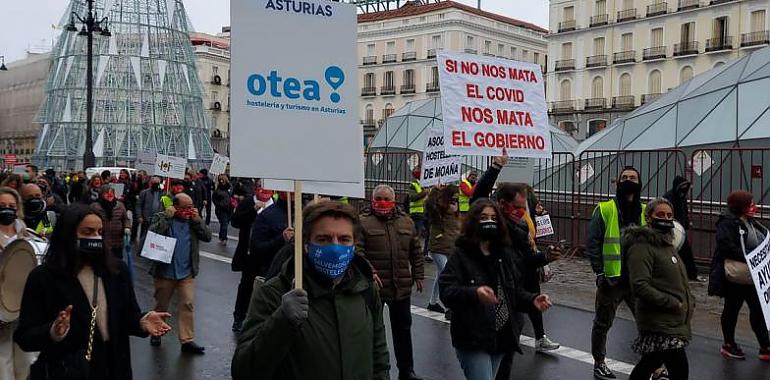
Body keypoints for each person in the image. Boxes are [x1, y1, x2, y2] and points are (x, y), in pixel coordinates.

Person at [232, 201, 390, 380]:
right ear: (306, 245)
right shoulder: (275, 293)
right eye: (324, 239)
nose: (336, 248)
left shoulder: (366, 290)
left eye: (344, 239)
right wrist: (281, 321)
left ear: (354, 245)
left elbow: (379, 360)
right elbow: (244, 371)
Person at [13, 204, 171, 380]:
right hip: (67, 370)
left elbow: (127, 316)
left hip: (113, 366)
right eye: (87, 232)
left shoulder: (117, 271)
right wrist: (53, 332)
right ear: (68, 235)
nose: (95, 238)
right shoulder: (43, 277)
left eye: (99, 232)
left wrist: (142, 321)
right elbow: (25, 336)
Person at [439, 199, 553, 380]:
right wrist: (474, 293)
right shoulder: (461, 255)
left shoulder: (504, 253)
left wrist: (532, 300)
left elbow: (512, 291)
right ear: (474, 221)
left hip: (501, 336)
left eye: (493, 218)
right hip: (473, 337)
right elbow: (446, 291)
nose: (489, 221)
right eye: (483, 217)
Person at [357, 184, 424, 380]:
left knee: (403, 331)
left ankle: (407, 371)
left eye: (386, 198)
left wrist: (419, 275)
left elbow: (415, 251)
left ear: (394, 201)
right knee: (371, 332)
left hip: (400, 288)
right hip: (374, 288)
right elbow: (358, 252)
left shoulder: (406, 222)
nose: (382, 202)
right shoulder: (362, 222)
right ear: (372, 200)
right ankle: (372, 371)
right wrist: (369, 271)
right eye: (378, 198)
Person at [586, 166, 647, 380]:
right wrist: (600, 272)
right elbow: (593, 242)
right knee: (603, 323)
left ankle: (655, 366)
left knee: (649, 323)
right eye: (625, 177)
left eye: (633, 177)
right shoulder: (605, 209)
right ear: (617, 183)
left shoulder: (645, 211)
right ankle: (599, 362)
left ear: (639, 183)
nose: (629, 180)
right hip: (612, 280)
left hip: (639, 279)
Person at [624, 198, 694, 380]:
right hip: (659, 319)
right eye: (660, 214)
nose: (665, 218)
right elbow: (640, 285)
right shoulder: (641, 246)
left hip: (672, 319)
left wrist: (689, 301)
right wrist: (672, 303)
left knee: (650, 363)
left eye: (669, 215)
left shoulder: (667, 244)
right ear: (648, 217)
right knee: (679, 369)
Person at [708, 190, 770, 361]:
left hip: (752, 277)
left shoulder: (751, 222)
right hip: (735, 277)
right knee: (732, 309)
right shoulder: (727, 223)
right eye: (750, 204)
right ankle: (729, 344)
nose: (753, 207)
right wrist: (750, 258)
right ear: (740, 206)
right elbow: (726, 245)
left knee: (758, 310)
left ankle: (765, 345)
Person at [147, 193, 211, 354]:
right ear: (175, 207)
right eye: (184, 208)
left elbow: (208, 237)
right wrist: (167, 218)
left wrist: (198, 220)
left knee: (187, 303)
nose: (188, 211)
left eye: (191, 208)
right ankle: (156, 331)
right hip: (165, 271)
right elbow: (152, 234)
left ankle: (187, 340)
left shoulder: (192, 221)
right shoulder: (162, 217)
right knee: (162, 305)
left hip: (186, 272)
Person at [0, 187, 36, 380]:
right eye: (2, 206)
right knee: (2, 363)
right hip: (1, 309)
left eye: (11, 206)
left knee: (26, 361)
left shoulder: (26, 232)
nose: (7, 209)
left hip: (24, 305)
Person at [229, 180, 265, 333]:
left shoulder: (275, 205)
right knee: (246, 287)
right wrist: (252, 210)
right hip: (249, 254)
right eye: (261, 187)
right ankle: (239, 318)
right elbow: (235, 222)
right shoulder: (248, 203)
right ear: (256, 188)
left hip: (267, 254)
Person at [425, 184, 460, 315]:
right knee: (446, 275)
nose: (457, 196)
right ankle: (449, 307)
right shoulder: (439, 207)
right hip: (438, 246)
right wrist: (435, 189)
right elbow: (429, 204)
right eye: (455, 194)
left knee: (441, 275)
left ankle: (433, 302)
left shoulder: (455, 205)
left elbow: (455, 226)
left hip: (450, 245)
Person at [662, 176, 702, 281]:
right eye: (682, 186)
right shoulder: (669, 197)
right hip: (672, 229)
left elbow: (684, 211)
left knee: (685, 252)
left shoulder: (681, 197)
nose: (684, 189)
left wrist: (686, 223)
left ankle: (690, 274)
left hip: (680, 229)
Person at [250, 192, 293, 278]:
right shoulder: (267, 215)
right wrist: (282, 239)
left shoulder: (306, 213)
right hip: (273, 275)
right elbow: (256, 248)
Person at [91, 186, 130, 259]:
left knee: (117, 261)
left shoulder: (120, 205)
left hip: (117, 240)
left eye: (111, 192)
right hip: (101, 240)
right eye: (106, 193)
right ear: (101, 194)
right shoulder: (94, 207)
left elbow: (125, 219)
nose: (109, 195)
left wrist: (127, 227)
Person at [408, 166, 430, 258]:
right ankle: (413, 252)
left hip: (426, 212)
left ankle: (426, 253)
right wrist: (424, 193)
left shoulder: (426, 184)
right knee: (417, 234)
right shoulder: (413, 184)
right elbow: (412, 197)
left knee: (429, 233)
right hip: (417, 213)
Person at [136, 176, 163, 240]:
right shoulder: (144, 193)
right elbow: (139, 205)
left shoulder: (163, 194)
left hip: (158, 220)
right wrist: (139, 216)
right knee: (144, 238)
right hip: (146, 220)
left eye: (157, 183)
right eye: (154, 182)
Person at [213, 174, 234, 245]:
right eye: (220, 180)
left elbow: (232, 194)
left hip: (229, 209)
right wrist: (219, 205)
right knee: (224, 223)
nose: (222, 181)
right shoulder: (217, 189)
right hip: (221, 209)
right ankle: (224, 238)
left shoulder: (230, 187)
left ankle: (221, 236)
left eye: (223, 179)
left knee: (225, 223)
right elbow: (214, 199)